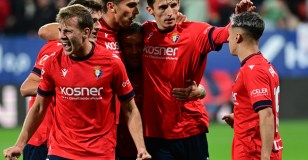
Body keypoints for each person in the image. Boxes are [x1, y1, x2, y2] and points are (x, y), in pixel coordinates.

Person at [3, 4, 151, 160]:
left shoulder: (112, 63)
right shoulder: (53, 62)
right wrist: (19, 144)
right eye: (60, 31)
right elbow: (39, 107)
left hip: (100, 153)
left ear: (86, 32)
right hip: (61, 151)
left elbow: (130, 109)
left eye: (68, 31)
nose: (61, 37)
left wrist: (141, 148)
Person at [141, 0, 255, 159]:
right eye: (163, 7)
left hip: (190, 127)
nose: (169, 12)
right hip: (155, 133)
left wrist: (239, 18)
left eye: (174, 5)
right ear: (149, 10)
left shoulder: (195, 31)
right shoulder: (143, 33)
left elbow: (224, 34)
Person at [19, 1, 103, 160]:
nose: (98, 26)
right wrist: (60, 85)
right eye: (93, 20)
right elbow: (26, 87)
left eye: (99, 20)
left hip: (73, 142)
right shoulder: (55, 48)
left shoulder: (99, 53)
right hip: (43, 140)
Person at [116, 22, 207, 160]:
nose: (134, 51)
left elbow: (186, 87)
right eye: (128, 46)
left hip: (153, 144)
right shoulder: (115, 72)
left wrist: (200, 91)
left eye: (139, 45)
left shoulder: (154, 69)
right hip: (121, 146)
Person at [222, 12, 283, 160]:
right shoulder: (263, 65)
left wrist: (265, 157)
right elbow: (259, 109)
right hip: (252, 148)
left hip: (252, 152)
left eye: (229, 35)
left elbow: (267, 114)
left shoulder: (253, 70)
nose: (227, 39)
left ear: (237, 37)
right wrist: (240, 117)